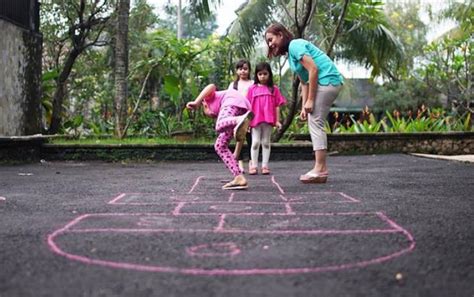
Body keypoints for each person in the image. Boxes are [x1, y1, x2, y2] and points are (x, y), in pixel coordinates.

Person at [264, 22, 343, 184]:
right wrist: (304, 105)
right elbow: (305, 81)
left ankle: (320, 169)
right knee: (313, 120)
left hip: (327, 80)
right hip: (324, 82)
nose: (271, 44)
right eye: (268, 43)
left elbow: (313, 69)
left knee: (316, 122)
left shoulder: (295, 45)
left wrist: (311, 100)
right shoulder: (292, 56)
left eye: (271, 39)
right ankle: (320, 168)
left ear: (280, 34)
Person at [186, 84, 253, 190]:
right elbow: (241, 134)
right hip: (242, 109)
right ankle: (239, 177)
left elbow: (211, 86)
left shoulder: (208, 99)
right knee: (220, 145)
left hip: (232, 101)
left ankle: (238, 120)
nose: (211, 115)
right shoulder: (225, 113)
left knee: (219, 125)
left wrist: (196, 102)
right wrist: (235, 153)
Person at [247, 62, 287, 175]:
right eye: (260, 74)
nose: (262, 76)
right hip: (255, 120)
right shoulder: (252, 89)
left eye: (265, 74)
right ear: (256, 75)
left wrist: (277, 120)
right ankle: (253, 165)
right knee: (255, 142)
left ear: (269, 74)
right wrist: (246, 122)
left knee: (265, 142)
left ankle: (265, 165)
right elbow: (248, 107)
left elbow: (277, 106)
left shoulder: (274, 89)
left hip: (268, 120)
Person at [228, 59, 254, 173]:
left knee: (250, 138)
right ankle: (238, 162)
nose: (243, 71)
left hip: (249, 113)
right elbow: (229, 99)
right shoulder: (233, 85)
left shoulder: (253, 83)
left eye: (245, 69)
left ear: (249, 70)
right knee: (239, 137)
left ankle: (251, 161)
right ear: (236, 71)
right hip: (237, 114)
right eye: (240, 69)